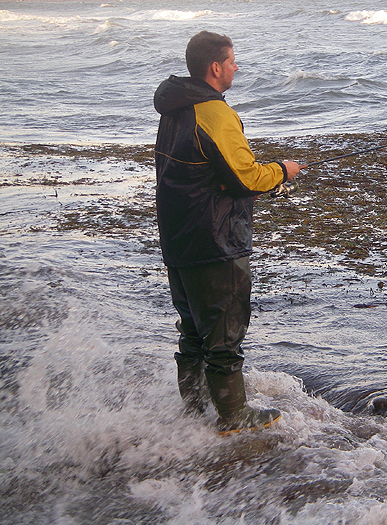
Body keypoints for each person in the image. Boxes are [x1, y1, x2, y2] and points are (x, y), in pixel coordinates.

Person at [153, 31, 300, 434]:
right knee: (224, 332)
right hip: (214, 240)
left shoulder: (174, 108)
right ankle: (234, 416)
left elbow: (191, 171)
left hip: (179, 238)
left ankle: (195, 409)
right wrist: (283, 171)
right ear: (215, 67)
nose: (237, 66)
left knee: (193, 332)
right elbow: (245, 177)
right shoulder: (214, 112)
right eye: (233, 60)